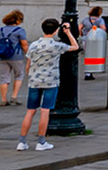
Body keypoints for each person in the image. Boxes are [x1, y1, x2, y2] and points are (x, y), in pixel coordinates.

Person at [19, 18, 79, 151]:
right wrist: (68, 32)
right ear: (56, 30)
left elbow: (28, 65)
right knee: (45, 111)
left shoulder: (34, 45)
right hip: (51, 81)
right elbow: (75, 46)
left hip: (34, 81)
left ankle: (22, 141)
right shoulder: (56, 45)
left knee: (30, 111)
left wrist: (31, 75)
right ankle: (41, 141)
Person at [0, 10, 27, 106]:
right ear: (17, 20)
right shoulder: (20, 31)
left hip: (3, 56)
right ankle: (14, 97)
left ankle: (3, 99)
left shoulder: (1, 30)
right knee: (19, 75)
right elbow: (24, 44)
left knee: (4, 78)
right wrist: (29, 54)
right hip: (16, 56)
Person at [80, 6, 107, 80]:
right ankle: (93, 69)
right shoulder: (100, 20)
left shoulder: (86, 19)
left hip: (86, 38)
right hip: (96, 40)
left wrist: (81, 34)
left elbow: (79, 28)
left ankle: (88, 72)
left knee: (87, 56)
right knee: (94, 55)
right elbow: (103, 28)